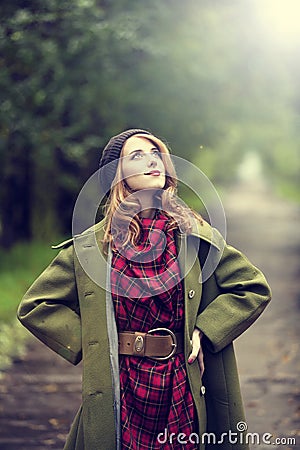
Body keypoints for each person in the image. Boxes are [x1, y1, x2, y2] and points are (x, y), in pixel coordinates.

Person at [17, 128, 271, 450]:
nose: (152, 161)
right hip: (120, 387)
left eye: (156, 153)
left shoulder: (194, 235)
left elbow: (252, 287)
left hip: (181, 383)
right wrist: (95, 341)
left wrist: (205, 330)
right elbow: (36, 305)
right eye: (137, 156)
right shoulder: (93, 247)